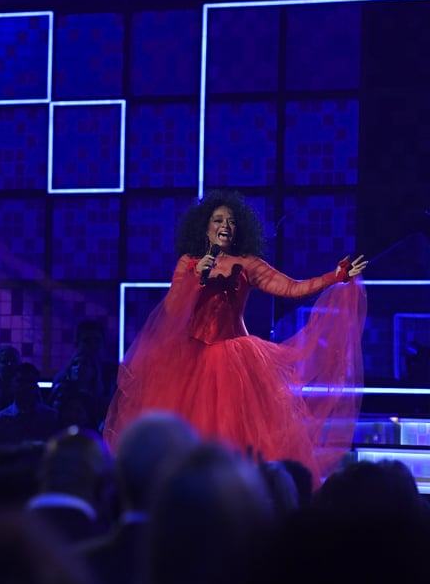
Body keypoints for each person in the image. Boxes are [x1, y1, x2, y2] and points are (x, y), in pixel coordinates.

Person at [103, 190, 367, 479]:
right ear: (205, 227)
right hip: (188, 361)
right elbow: (172, 309)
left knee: (237, 441)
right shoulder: (189, 263)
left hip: (235, 359)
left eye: (230, 221)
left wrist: (336, 276)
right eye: (218, 220)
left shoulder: (247, 263)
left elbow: (292, 288)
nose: (225, 226)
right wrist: (194, 277)